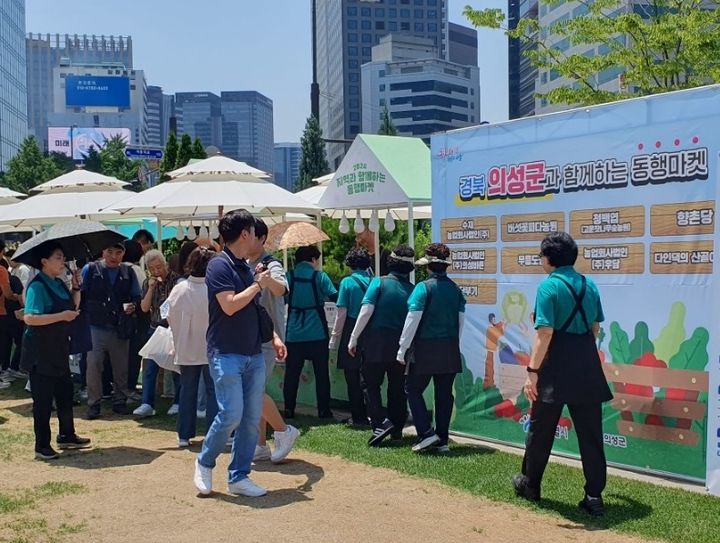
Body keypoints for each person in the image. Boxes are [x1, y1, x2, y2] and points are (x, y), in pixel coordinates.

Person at [512, 232, 612, 517]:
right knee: (591, 433)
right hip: (586, 362)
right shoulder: (588, 284)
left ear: (549, 259)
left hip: (555, 364)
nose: (541, 260)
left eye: (541, 256)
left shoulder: (548, 287)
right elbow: (595, 327)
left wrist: (532, 371)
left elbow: (545, 333)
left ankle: (530, 484)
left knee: (541, 430)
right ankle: (594, 496)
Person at [193, 209, 279, 498]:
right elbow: (229, 305)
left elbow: (255, 310)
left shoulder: (244, 266)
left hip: (253, 352)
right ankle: (205, 462)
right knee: (231, 414)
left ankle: (239, 476)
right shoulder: (219, 265)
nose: (257, 238)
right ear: (245, 234)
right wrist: (258, 285)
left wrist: (274, 336)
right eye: (254, 232)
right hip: (226, 352)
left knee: (251, 417)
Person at [21, 242, 90, 460]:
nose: (63, 262)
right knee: (42, 400)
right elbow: (30, 317)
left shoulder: (59, 283)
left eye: (63, 258)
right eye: (58, 258)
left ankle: (67, 435)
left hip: (58, 348)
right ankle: (42, 445)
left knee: (65, 393)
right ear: (44, 262)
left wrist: (77, 288)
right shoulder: (37, 286)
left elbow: (72, 307)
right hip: (40, 351)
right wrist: (61, 317)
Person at [397, 243, 466, 453]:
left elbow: (412, 320)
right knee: (444, 395)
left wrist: (402, 349)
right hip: (450, 347)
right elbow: (460, 322)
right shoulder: (455, 290)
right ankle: (442, 440)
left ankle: (426, 433)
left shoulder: (423, 288)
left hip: (425, 348)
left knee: (413, 389)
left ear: (428, 266)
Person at [348, 245, 415, 446]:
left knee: (370, 384)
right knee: (397, 388)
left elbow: (366, 311)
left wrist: (353, 338)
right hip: (401, 345)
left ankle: (379, 422)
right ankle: (397, 429)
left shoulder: (379, 282)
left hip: (375, 342)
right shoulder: (413, 290)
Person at [247, 218, 299, 463]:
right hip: (249, 336)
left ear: (261, 238)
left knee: (254, 391)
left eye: (249, 236)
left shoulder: (271, 263)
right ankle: (260, 445)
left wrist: (267, 281)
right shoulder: (243, 263)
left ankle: (283, 431)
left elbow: (282, 289)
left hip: (268, 337)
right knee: (256, 390)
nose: (244, 241)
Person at [165, 247, 219, 447]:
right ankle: (213, 434)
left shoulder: (180, 288)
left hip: (187, 347)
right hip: (211, 346)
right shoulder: (214, 289)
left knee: (188, 389)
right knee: (213, 390)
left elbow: (168, 314)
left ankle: (183, 435)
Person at [81, 242, 142, 419]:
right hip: (94, 326)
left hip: (119, 326)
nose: (114, 256)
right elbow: (81, 295)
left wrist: (133, 306)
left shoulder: (128, 272)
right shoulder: (90, 269)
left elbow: (136, 296)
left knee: (121, 366)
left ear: (123, 254)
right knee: (93, 364)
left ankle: (120, 400)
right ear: (103, 252)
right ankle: (94, 403)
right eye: (110, 251)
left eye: (118, 252)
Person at [284, 245, 338, 420]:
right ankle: (324, 411)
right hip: (317, 333)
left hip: (293, 333)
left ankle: (289, 409)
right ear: (313, 260)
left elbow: (280, 297)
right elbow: (334, 296)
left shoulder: (289, 276)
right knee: (322, 374)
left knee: (291, 373)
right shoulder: (320, 276)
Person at [133, 250, 180, 417]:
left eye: (159, 267)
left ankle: (177, 401)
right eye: (152, 268)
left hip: (173, 328)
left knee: (175, 367)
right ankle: (147, 403)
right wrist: (151, 289)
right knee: (150, 367)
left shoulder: (176, 281)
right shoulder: (148, 283)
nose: (156, 271)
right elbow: (144, 308)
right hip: (155, 328)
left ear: (165, 264)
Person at [329, 248, 372, 425]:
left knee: (352, 377)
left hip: (351, 330)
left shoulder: (347, 282)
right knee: (369, 377)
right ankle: (374, 414)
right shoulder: (374, 281)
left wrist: (334, 336)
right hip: (371, 332)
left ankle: (358, 416)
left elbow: (341, 312)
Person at [123, 240, 148, 398]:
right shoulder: (135, 269)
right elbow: (142, 292)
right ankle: (130, 386)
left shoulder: (119, 268)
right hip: (138, 317)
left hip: (123, 316)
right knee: (134, 353)